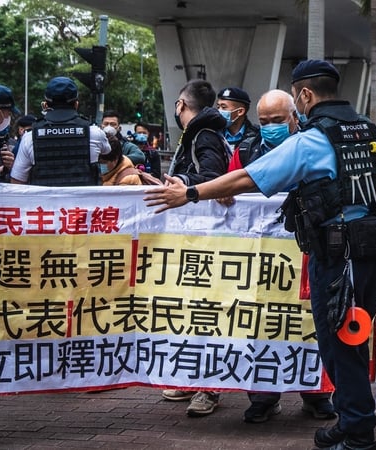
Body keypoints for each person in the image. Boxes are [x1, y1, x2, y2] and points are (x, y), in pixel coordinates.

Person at [145, 60, 376, 450]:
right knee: (354, 335)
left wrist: (190, 193)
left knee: (339, 344)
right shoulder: (370, 134)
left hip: (336, 256)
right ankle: (352, 420)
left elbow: (250, 177)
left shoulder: (312, 140)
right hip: (372, 252)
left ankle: (359, 433)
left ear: (304, 95)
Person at [223, 89, 335, 423]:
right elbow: (227, 183)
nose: (270, 127)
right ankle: (262, 395)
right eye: (264, 121)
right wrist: (221, 196)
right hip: (259, 258)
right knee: (259, 320)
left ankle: (317, 393)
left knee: (309, 318)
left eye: (277, 120)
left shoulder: (312, 147)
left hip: (306, 250)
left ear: (294, 117)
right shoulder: (246, 150)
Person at [160, 78, 230, 417]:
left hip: (206, 240)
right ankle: (193, 377)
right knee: (191, 311)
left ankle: (210, 387)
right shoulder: (200, 135)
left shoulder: (204, 136)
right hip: (193, 240)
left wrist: (184, 184)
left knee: (207, 312)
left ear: (181, 105)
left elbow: (214, 180)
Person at [10, 76, 110, 186]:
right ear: (76, 104)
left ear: (46, 105)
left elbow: (17, 182)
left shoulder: (29, 137)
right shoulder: (95, 133)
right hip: (85, 203)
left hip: (45, 203)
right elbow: (108, 154)